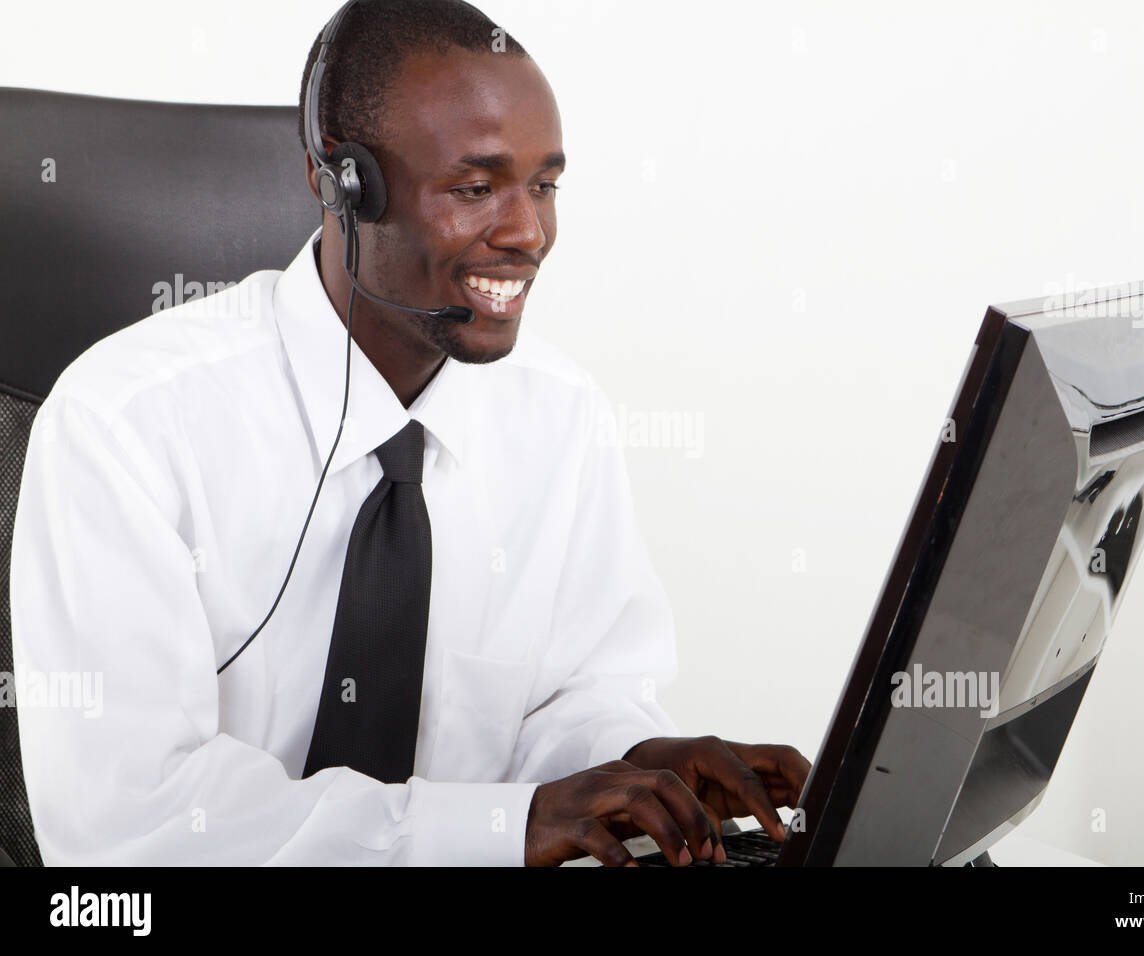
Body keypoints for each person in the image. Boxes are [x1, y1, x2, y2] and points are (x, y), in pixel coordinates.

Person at [11, 0, 810, 867]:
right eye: (475, 189)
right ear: (342, 184)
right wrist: (504, 828)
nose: (528, 234)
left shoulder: (560, 415)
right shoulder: (123, 425)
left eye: (543, 185)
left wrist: (626, 764)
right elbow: (130, 829)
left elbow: (577, 695)